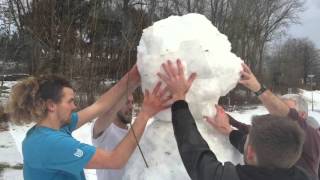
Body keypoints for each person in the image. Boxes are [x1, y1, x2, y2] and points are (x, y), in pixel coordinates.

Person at [6, 65, 171, 180]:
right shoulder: (50, 143)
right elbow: (115, 160)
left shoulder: (54, 128)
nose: (75, 106)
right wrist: (145, 113)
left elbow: (99, 106)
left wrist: (132, 77)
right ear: (51, 105)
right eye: (70, 101)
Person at [158, 60, 310, 180]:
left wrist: (179, 100)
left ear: (249, 152)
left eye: (248, 140)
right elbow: (262, 148)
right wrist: (229, 131)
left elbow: (196, 155)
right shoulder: (304, 175)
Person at [207, 64, 320, 180]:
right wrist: (229, 127)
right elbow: (255, 142)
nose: (276, 116)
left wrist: (258, 88)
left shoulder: (311, 137)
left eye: (283, 111)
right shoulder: (279, 139)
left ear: (301, 115)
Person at [91, 93, 134, 180]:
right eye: (126, 102)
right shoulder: (106, 130)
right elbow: (100, 123)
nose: (131, 107)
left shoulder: (133, 132)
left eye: (132, 102)